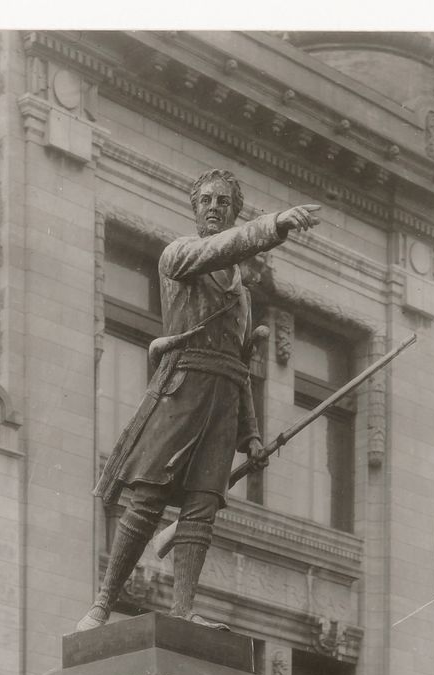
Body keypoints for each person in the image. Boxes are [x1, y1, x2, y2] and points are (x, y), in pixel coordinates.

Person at [77, 170, 322, 630]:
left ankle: (183, 609)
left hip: (223, 404)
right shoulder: (180, 256)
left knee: (201, 510)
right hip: (181, 390)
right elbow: (220, 249)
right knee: (146, 500)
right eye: (206, 200)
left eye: (224, 201)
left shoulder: (243, 297)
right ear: (195, 208)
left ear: (234, 211)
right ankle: (103, 603)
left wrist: (250, 434)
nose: (214, 207)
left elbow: (241, 364)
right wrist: (274, 227)